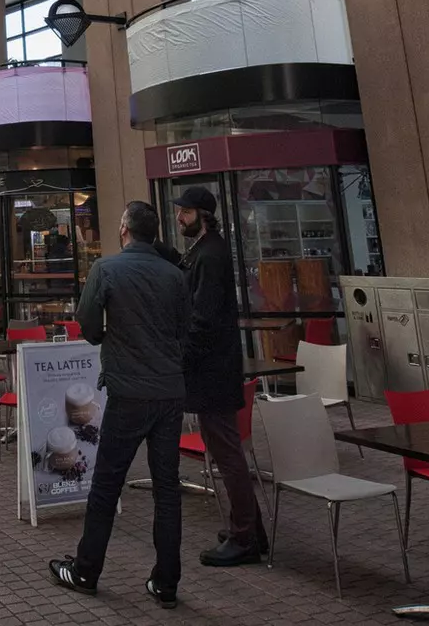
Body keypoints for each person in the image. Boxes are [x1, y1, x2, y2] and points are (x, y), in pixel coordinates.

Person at [50, 201, 192, 608]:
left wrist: (108, 338)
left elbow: (88, 322)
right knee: (167, 488)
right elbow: (185, 327)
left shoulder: (106, 270)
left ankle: (85, 569)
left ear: (125, 229)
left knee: (107, 485)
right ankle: (166, 582)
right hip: (169, 392)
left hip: (129, 391)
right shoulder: (174, 275)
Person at [173, 186, 268, 567]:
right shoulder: (204, 251)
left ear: (203, 214)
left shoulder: (210, 256)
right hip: (213, 367)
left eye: (186, 212)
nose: (180, 217)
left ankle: (245, 537)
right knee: (225, 452)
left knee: (227, 455)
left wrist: (184, 358)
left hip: (212, 370)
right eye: (180, 211)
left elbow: (204, 318)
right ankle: (251, 531)